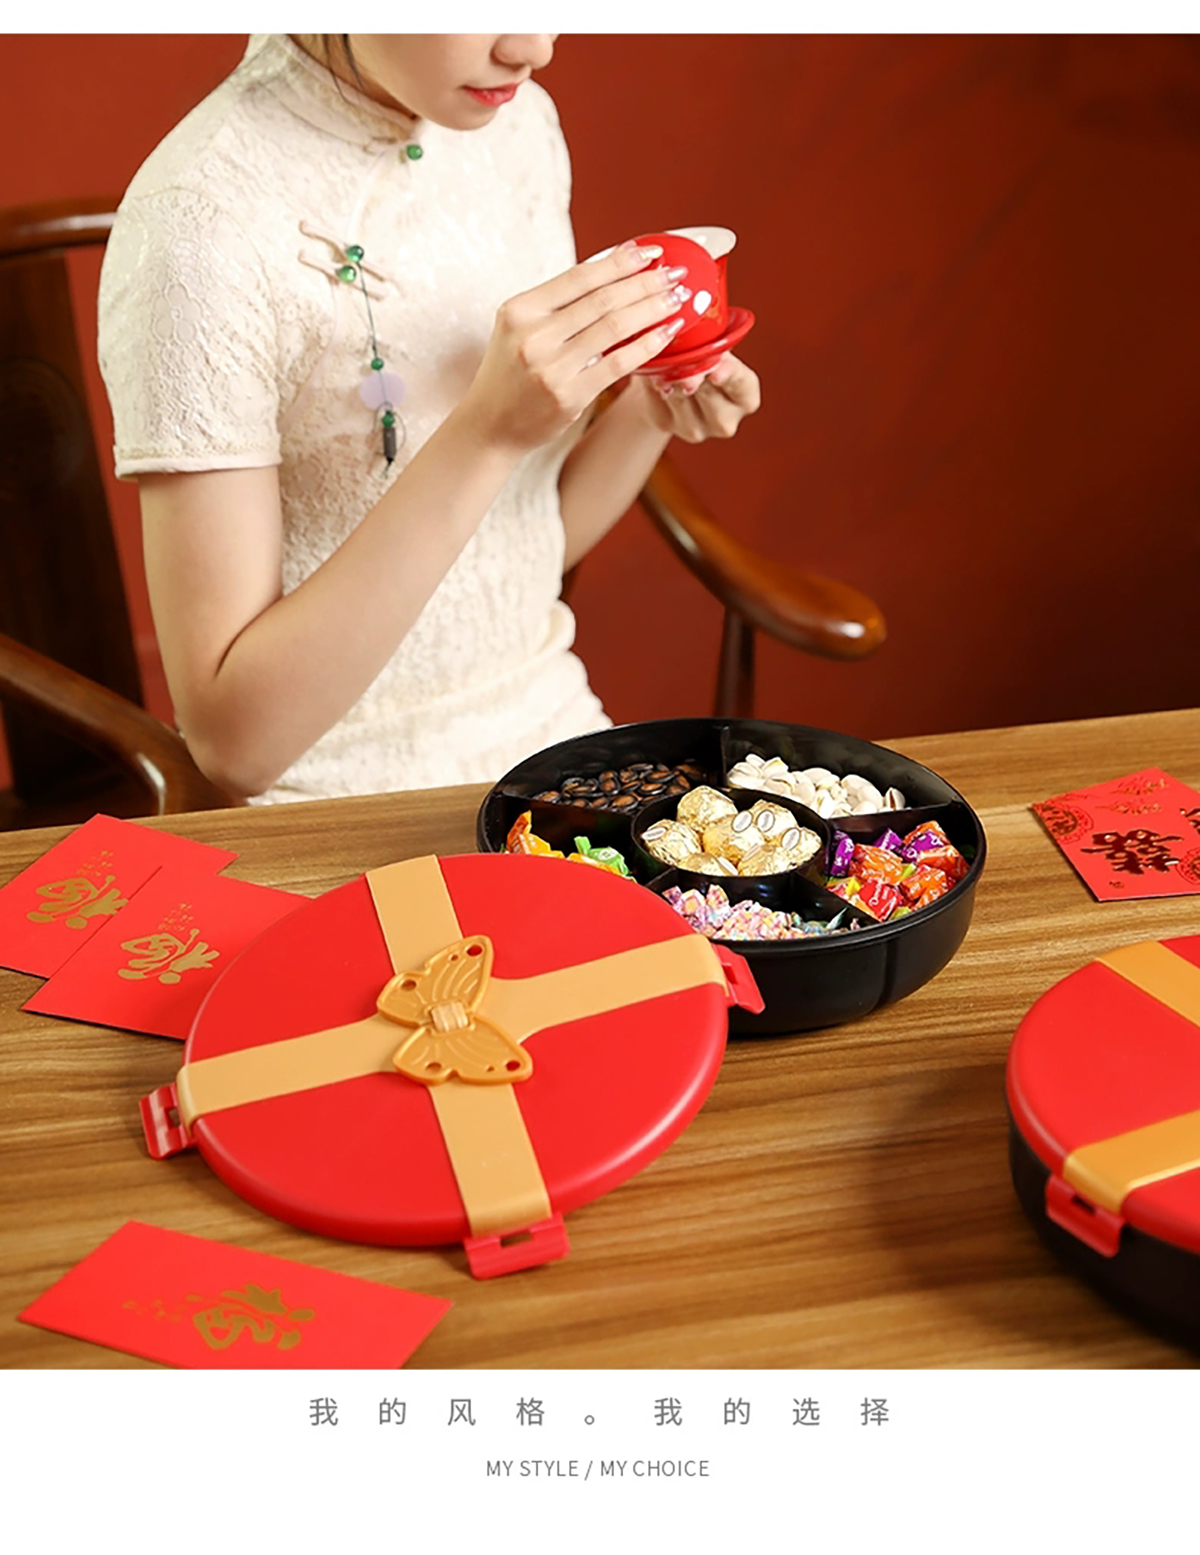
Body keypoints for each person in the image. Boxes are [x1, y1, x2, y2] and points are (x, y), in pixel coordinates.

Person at [98, 34, 761, 804]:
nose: (532, 46)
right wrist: (484, 435)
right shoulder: (200, 224)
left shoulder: (518, 129)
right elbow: (236, 747)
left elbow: (518, 553)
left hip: (553, 744)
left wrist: (650, 405)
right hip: (329, 799)